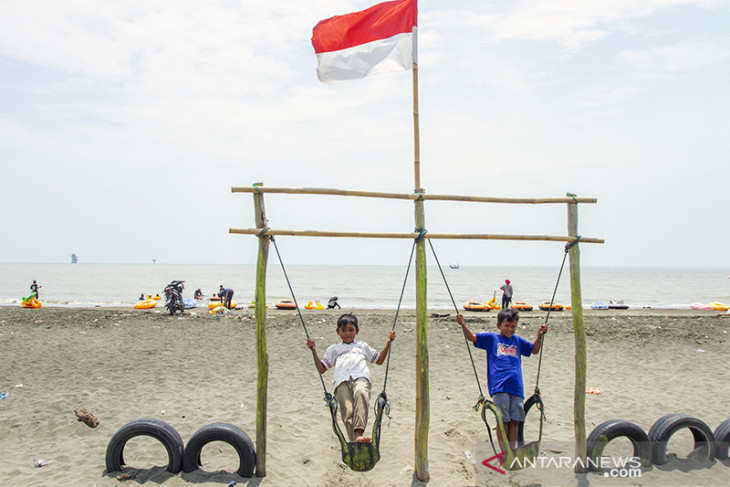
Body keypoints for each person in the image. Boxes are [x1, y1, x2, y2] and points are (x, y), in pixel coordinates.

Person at [456, 309, 547, 452]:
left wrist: (539, 336)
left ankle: (512, 451)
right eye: (506, 326)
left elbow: (534, 350)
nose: (510, 329)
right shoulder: (492, 339)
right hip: (500, 386)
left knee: (515, 420)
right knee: (503, 419)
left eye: (513, 326)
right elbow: (472, 337)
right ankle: (505, 453)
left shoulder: (517, 341)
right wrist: (463, 324)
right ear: (499, 325)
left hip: (517, 387)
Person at [306, 313, 395, 443]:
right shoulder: (334, 349)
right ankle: (354, 441)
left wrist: (388, 343)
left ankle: (359, 434)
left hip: (360, 377)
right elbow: (322, 368)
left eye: (351, 330)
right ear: (338, 332)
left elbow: (379, 360)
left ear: (357, 331)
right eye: (343, 330)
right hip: (341, 381)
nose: (347, 333)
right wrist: (313, 350)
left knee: (361, 393)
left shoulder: (362, 346)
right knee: (348, 409)